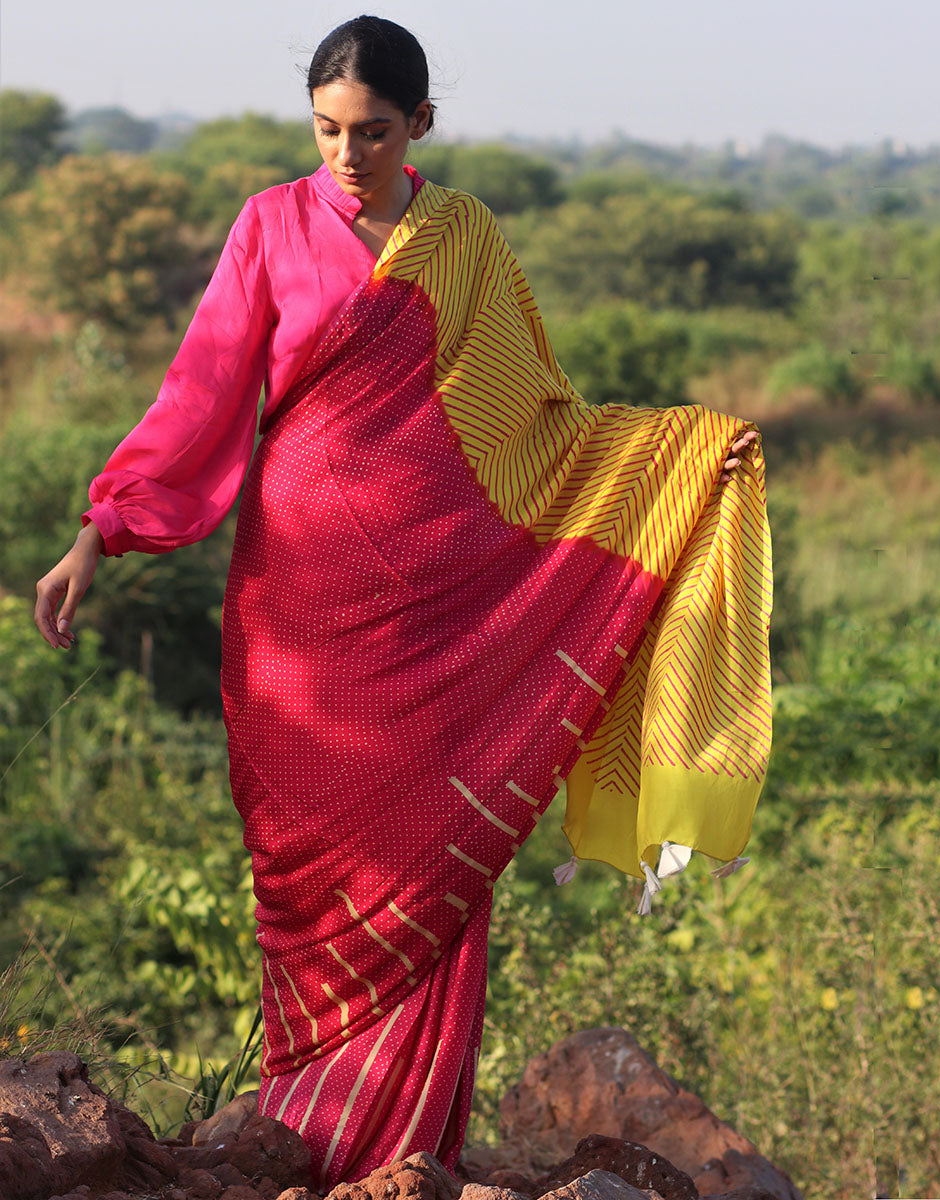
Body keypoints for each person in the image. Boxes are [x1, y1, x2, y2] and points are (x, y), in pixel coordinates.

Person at [34, 14, 772, 1189]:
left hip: (437, 604)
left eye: (373, 131)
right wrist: (101, 530)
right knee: (307, 857)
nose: (347, 154)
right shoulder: (269, 226)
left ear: (420, 122)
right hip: (299, 599)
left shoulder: (462, 238)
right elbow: (201, 395)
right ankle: (303, 1135)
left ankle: (405, 1154)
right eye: (326, 130)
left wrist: (683, 455)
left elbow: (539, 424)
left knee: (432, 846)